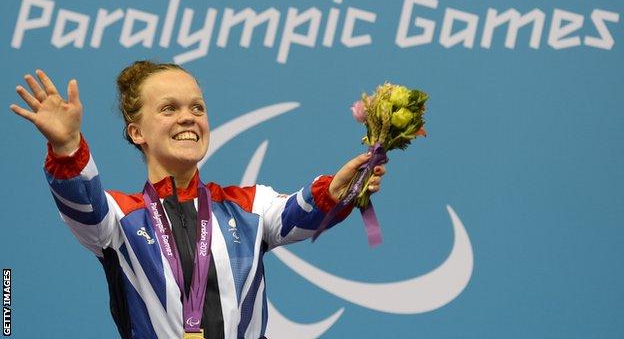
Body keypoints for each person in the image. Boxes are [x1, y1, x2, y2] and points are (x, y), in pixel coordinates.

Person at [10, 61, 386, 339]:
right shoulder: (119, 219)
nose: (188, 118)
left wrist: (340, 189)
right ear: (136, 131)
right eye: (169, 109)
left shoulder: (248, 207)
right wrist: (66, 147)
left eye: (197, 108)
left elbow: (301, 211)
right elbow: (81, 201)